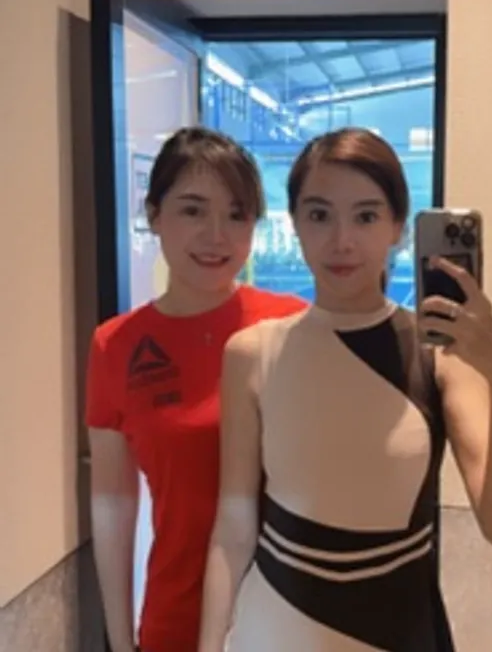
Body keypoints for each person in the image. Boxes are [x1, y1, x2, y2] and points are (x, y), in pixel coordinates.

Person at [199, 127, 492, 652]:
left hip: (399, 631)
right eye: (319, 215)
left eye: (365, 216)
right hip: (274, 627)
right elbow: (233, 526)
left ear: (398, 227)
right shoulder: (252, 353)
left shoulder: (439, 357)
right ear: (296, 224)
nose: (342, 241)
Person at [84, 127, 307, 652]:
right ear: (154, 215)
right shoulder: (117, 345)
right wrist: (120, 641)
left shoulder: (292, 327)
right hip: (177, 618)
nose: (217, 236)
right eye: (192, 210)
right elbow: (113, 501)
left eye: (237, 214)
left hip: (291, 619)